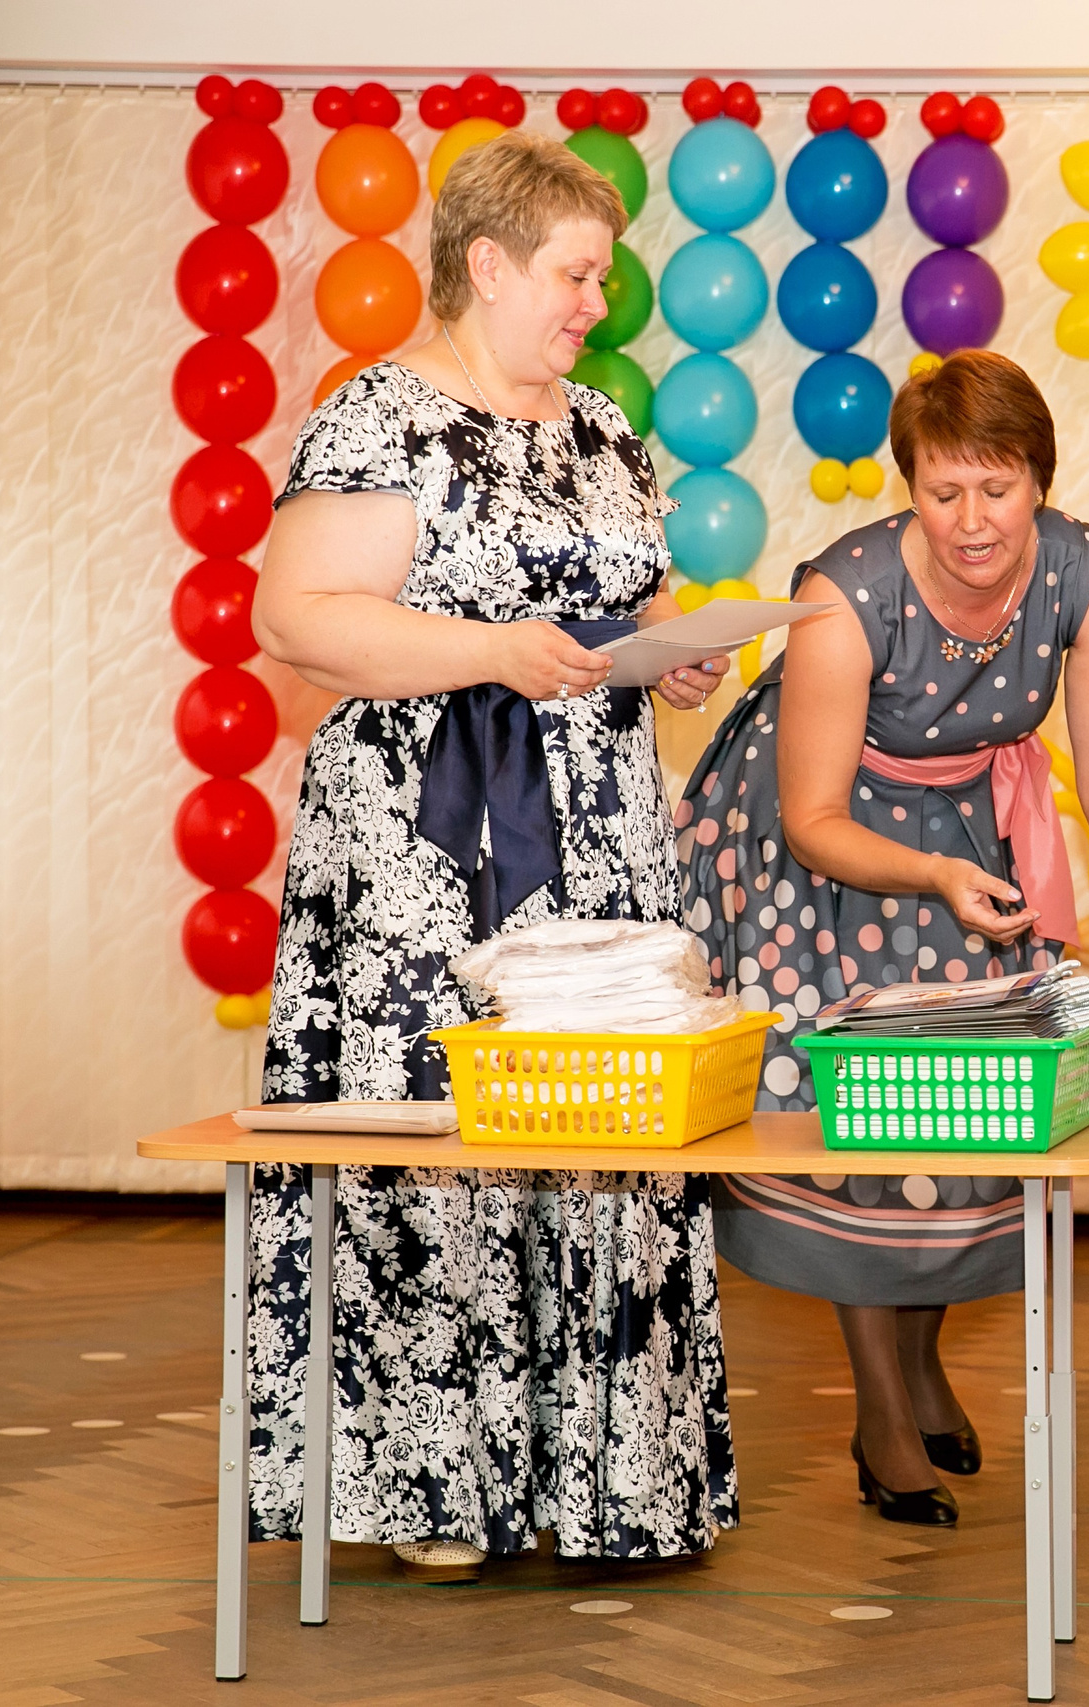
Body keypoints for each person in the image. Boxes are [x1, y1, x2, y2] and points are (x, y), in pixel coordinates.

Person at [245, 130, 737, 1582]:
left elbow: (624, 591)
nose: (596, 301)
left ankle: (603, 1474)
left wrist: (672, 649)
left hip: (596, 831)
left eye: (603, 273)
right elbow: (301, 616)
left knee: (603, 1126)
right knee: (434, 1133)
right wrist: (496, 656)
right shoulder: (378, 419)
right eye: (577, 274)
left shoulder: (601, 426)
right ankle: (432, 1488)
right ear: (488, 265)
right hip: (423, 841)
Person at [675, 351, 1089, 1525]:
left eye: (997, 490)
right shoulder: (843, 596)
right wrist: (934, 876)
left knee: (968, 1099)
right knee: (872, 1115)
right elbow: (811, 819)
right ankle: (880, 1412)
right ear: (907, 486)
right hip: (826, 841)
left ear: (1040, 485)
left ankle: (919, 1361)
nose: (971, 521)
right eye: (942, 491)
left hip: (966, 823)